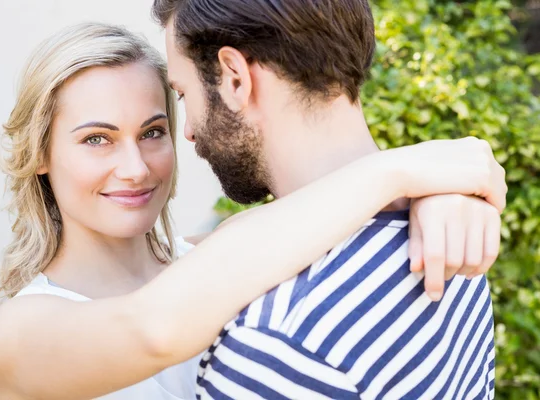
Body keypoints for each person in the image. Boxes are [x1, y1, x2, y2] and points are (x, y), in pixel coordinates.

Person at [0, 22, 506, 400]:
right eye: (97, 139)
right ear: (41, 153)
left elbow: (326, 214)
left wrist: (442, 195)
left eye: (154, 131)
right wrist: (406, 170)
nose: (135, 167)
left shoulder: (230, 251)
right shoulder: (15, 334)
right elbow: (152, 330)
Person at [152, 0, 503, 398]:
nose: (190, 133)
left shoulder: (274, 343)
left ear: (235, 78)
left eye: (182, 94)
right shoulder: (452, 232)